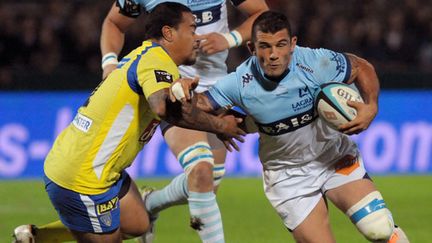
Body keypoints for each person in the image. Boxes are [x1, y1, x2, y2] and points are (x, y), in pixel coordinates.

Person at [12, 3, 245, 243]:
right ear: (169, 33)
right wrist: (219, 126)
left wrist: (214, 118)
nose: (197, 38)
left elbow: (176, 102)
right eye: (192, 30)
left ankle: (36, 238)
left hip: (101, 169)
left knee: (138, 223)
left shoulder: (150, 57)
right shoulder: (156, 61)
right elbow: (163, 108)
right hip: (82, 178)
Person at [170, 10, 410, 243]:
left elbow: (360, 66)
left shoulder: (315, 62)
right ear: (252, 49)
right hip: (288, 177)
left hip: (333, 158)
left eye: (281, 44)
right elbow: (202, 105)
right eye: (265, 46)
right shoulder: (239, 82)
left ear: (293, 44)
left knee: (378, 227)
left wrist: (371, 106)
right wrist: (193, 102)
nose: (274, 54)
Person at [101, 0, 268, 242]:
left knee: (208, 182)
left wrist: (229, 39)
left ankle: (151, 203)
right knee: (200, 170)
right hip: (170, 85)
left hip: (217, 90)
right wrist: (109, 64)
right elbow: (114, 23)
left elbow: (261, 12)